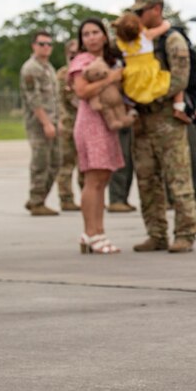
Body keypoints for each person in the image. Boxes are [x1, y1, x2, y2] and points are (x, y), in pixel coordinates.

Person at [128, 0, 196, 252]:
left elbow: (180, 78)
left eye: (141, 11)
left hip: (167, 116)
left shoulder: (172, 40)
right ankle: (156, 233)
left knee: (178, 177)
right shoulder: (138, 41)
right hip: (143, 120)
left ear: (156, 9)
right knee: (147, 179)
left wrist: (151, 94)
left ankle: (185, 233)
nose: (137, 16)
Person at [68, 18, 125, 255]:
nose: (91, 37)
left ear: (104, 35)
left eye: (95, 32)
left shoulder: (109, 60)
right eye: (86, 34)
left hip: (106, 124)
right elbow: (81, 91)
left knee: (102, 178)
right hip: (91, 123)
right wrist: (110, 79)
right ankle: (92, 233)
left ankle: (96, 231)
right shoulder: (82, 62)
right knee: (93, 180)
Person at [20, 31, 61, 216]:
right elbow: (33, 100)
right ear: (33, 46)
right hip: (39, 123)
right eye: (42, 44)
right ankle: (37, 201)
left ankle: (38, 198)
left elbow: (54, 98)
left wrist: (56, 121)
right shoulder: (31, 68)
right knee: (41, 162)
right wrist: (46, 123)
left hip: (52, 120)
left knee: (55, 161)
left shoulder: (48, 67)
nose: (46, 47)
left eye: (49, 44)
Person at [55, 38, 83, 211]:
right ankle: (66, 199)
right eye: (71, 52)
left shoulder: (86, 70)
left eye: (77, 51)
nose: (74, 55)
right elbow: (62, 100)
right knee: (66, 164)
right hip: (68, 124)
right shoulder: (63, 74)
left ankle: (89, 197)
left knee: (85, 165)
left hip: (85, 125)